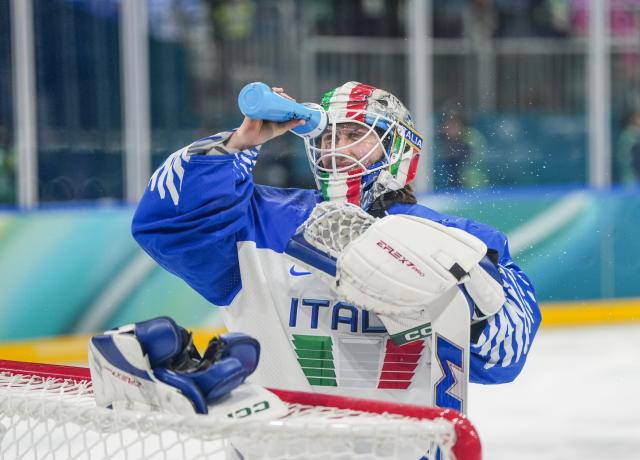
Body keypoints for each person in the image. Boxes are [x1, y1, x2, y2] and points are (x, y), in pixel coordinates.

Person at [132, 82, 541, 405]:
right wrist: (240, 143)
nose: (335, 149)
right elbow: (165, 222)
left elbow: (506, 357)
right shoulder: (264, 221)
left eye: (353, 135)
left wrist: (460, 293)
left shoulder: (460, 240)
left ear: (397, 151)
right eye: (327, 137)